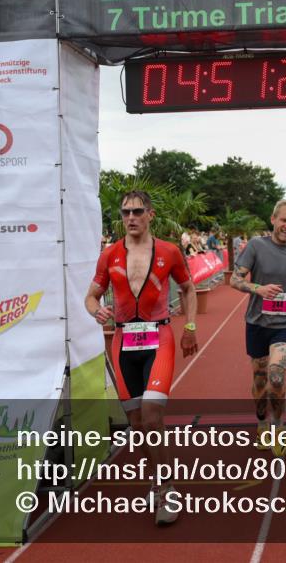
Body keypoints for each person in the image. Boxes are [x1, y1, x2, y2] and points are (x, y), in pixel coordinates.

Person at [84, 190, 198, 526]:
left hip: (157, 336)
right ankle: (156, 476)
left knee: (151, 415)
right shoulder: (109, 255)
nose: (131, 218)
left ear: (150, 214)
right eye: (125, 213)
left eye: (137, 212)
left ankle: (167, 489)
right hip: (123, 341)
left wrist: (189, 326)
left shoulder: (169, 251)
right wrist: (96, 311)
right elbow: (91, 296)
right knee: (137, 425)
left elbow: (189, 288)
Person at [230, 200, 286, 457]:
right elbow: (234, 279)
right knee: (260, 378)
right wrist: (258, 289)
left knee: (277, 374)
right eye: (284, 220)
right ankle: (262, 421)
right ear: (273, 219)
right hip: (257, 323)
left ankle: (278, 425)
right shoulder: (256, 246)